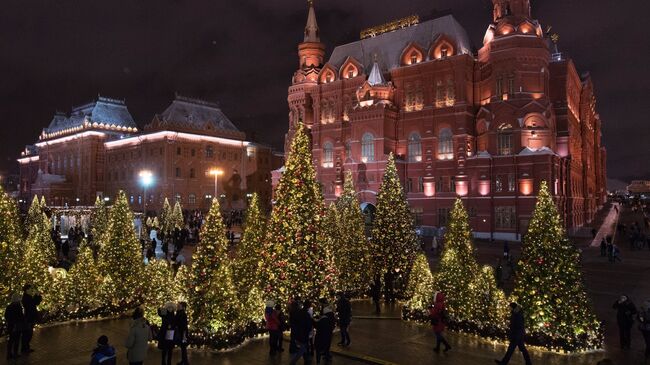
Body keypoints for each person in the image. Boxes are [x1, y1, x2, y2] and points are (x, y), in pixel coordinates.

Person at [289, 300, 313, 365]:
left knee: (304, 347)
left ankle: (307, 360)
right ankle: (293, 362)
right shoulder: (306, 313)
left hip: (298, 332)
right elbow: (308, 325)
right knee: (303, 348)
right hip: (303, 333)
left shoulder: (299, 312)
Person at [21, 284, 42, 354]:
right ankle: (24, 349)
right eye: (30, 289)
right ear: (26, 290)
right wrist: (37, 295)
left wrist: (38, 296)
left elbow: (36, 303)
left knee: (29, 334)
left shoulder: (28, 296)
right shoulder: (26, 297)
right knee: (28, 334)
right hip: (28, 318)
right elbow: (33, 303)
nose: (31, 290)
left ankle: (26, 348)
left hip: (31, 317)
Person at [5, 293, 25, 360]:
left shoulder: (9, 306)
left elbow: (6, 316)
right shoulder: (18, 306)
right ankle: (15, 353)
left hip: (11, 326)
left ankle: (9, 354)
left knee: (11, 340)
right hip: (17, 326)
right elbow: (20, 316)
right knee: (16, 340)